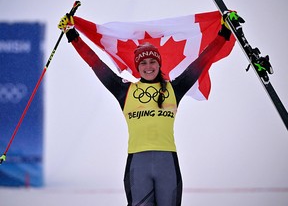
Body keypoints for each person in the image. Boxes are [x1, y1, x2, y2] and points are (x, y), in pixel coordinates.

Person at [58, 12, 232, 206]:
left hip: (167, 163)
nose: (148, 66)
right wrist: (72, 36)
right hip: (138, 165)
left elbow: (202, 61)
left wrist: (224, 33)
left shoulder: (174, 88)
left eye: (152, 62)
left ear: (159, 64)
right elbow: (95, 63)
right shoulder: (125, 90)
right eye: (143, 63)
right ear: (137, 67)